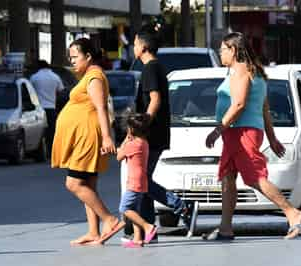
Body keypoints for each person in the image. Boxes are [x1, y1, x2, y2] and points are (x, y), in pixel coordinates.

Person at [204, 32, 301, 240]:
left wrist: (218, 130)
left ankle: (293, 213)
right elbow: (265, 109)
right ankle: (225, 227)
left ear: (233, 51)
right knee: (228, 177)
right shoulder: (253, 71)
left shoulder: (241, 70)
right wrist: (271, 138)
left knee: (254, 177)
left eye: (223, 49)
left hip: (241, 132)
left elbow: (239, 104)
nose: (220, 53)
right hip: (239, 132)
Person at [123, 28, 195, 242]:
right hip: (153, 133)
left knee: (141, 181)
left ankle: (181, 206)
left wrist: (142, 126)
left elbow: (155, 100)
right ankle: (148, 230)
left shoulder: (150, 69)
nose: (133, 48)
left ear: (143, 47)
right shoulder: (154, 68)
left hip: (150, 135)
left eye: (135, 44)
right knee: (142, 182)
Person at [51, 38, 124, 246]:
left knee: (73, 183)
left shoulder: (94, 77)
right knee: (88, 184)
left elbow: (101, 108)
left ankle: (110, 220)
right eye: (70, 57)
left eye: (75, 57)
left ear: (88, 56)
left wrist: (107, 136)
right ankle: (93, 231)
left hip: (88, 137)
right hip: (84, 136)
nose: (72, 61)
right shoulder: (88, 76)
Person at [117, 113, 158, 248]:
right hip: (142, 181)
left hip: (134, 182)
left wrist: (125, 141)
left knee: (125, 208)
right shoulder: (144, 143)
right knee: (135, 209)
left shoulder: (132, 144)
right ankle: (138, 238)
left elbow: (119, 156)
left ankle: (148, 227)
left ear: (131, 130)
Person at [30, 60, 65, 154]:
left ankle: (40, 151)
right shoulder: (55, 77)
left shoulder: (34, 77)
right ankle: (52, 151)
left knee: (40, 132)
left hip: (38, 109)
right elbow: (60, 90)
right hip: (51, 108)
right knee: (52, 132)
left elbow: (30, 92)